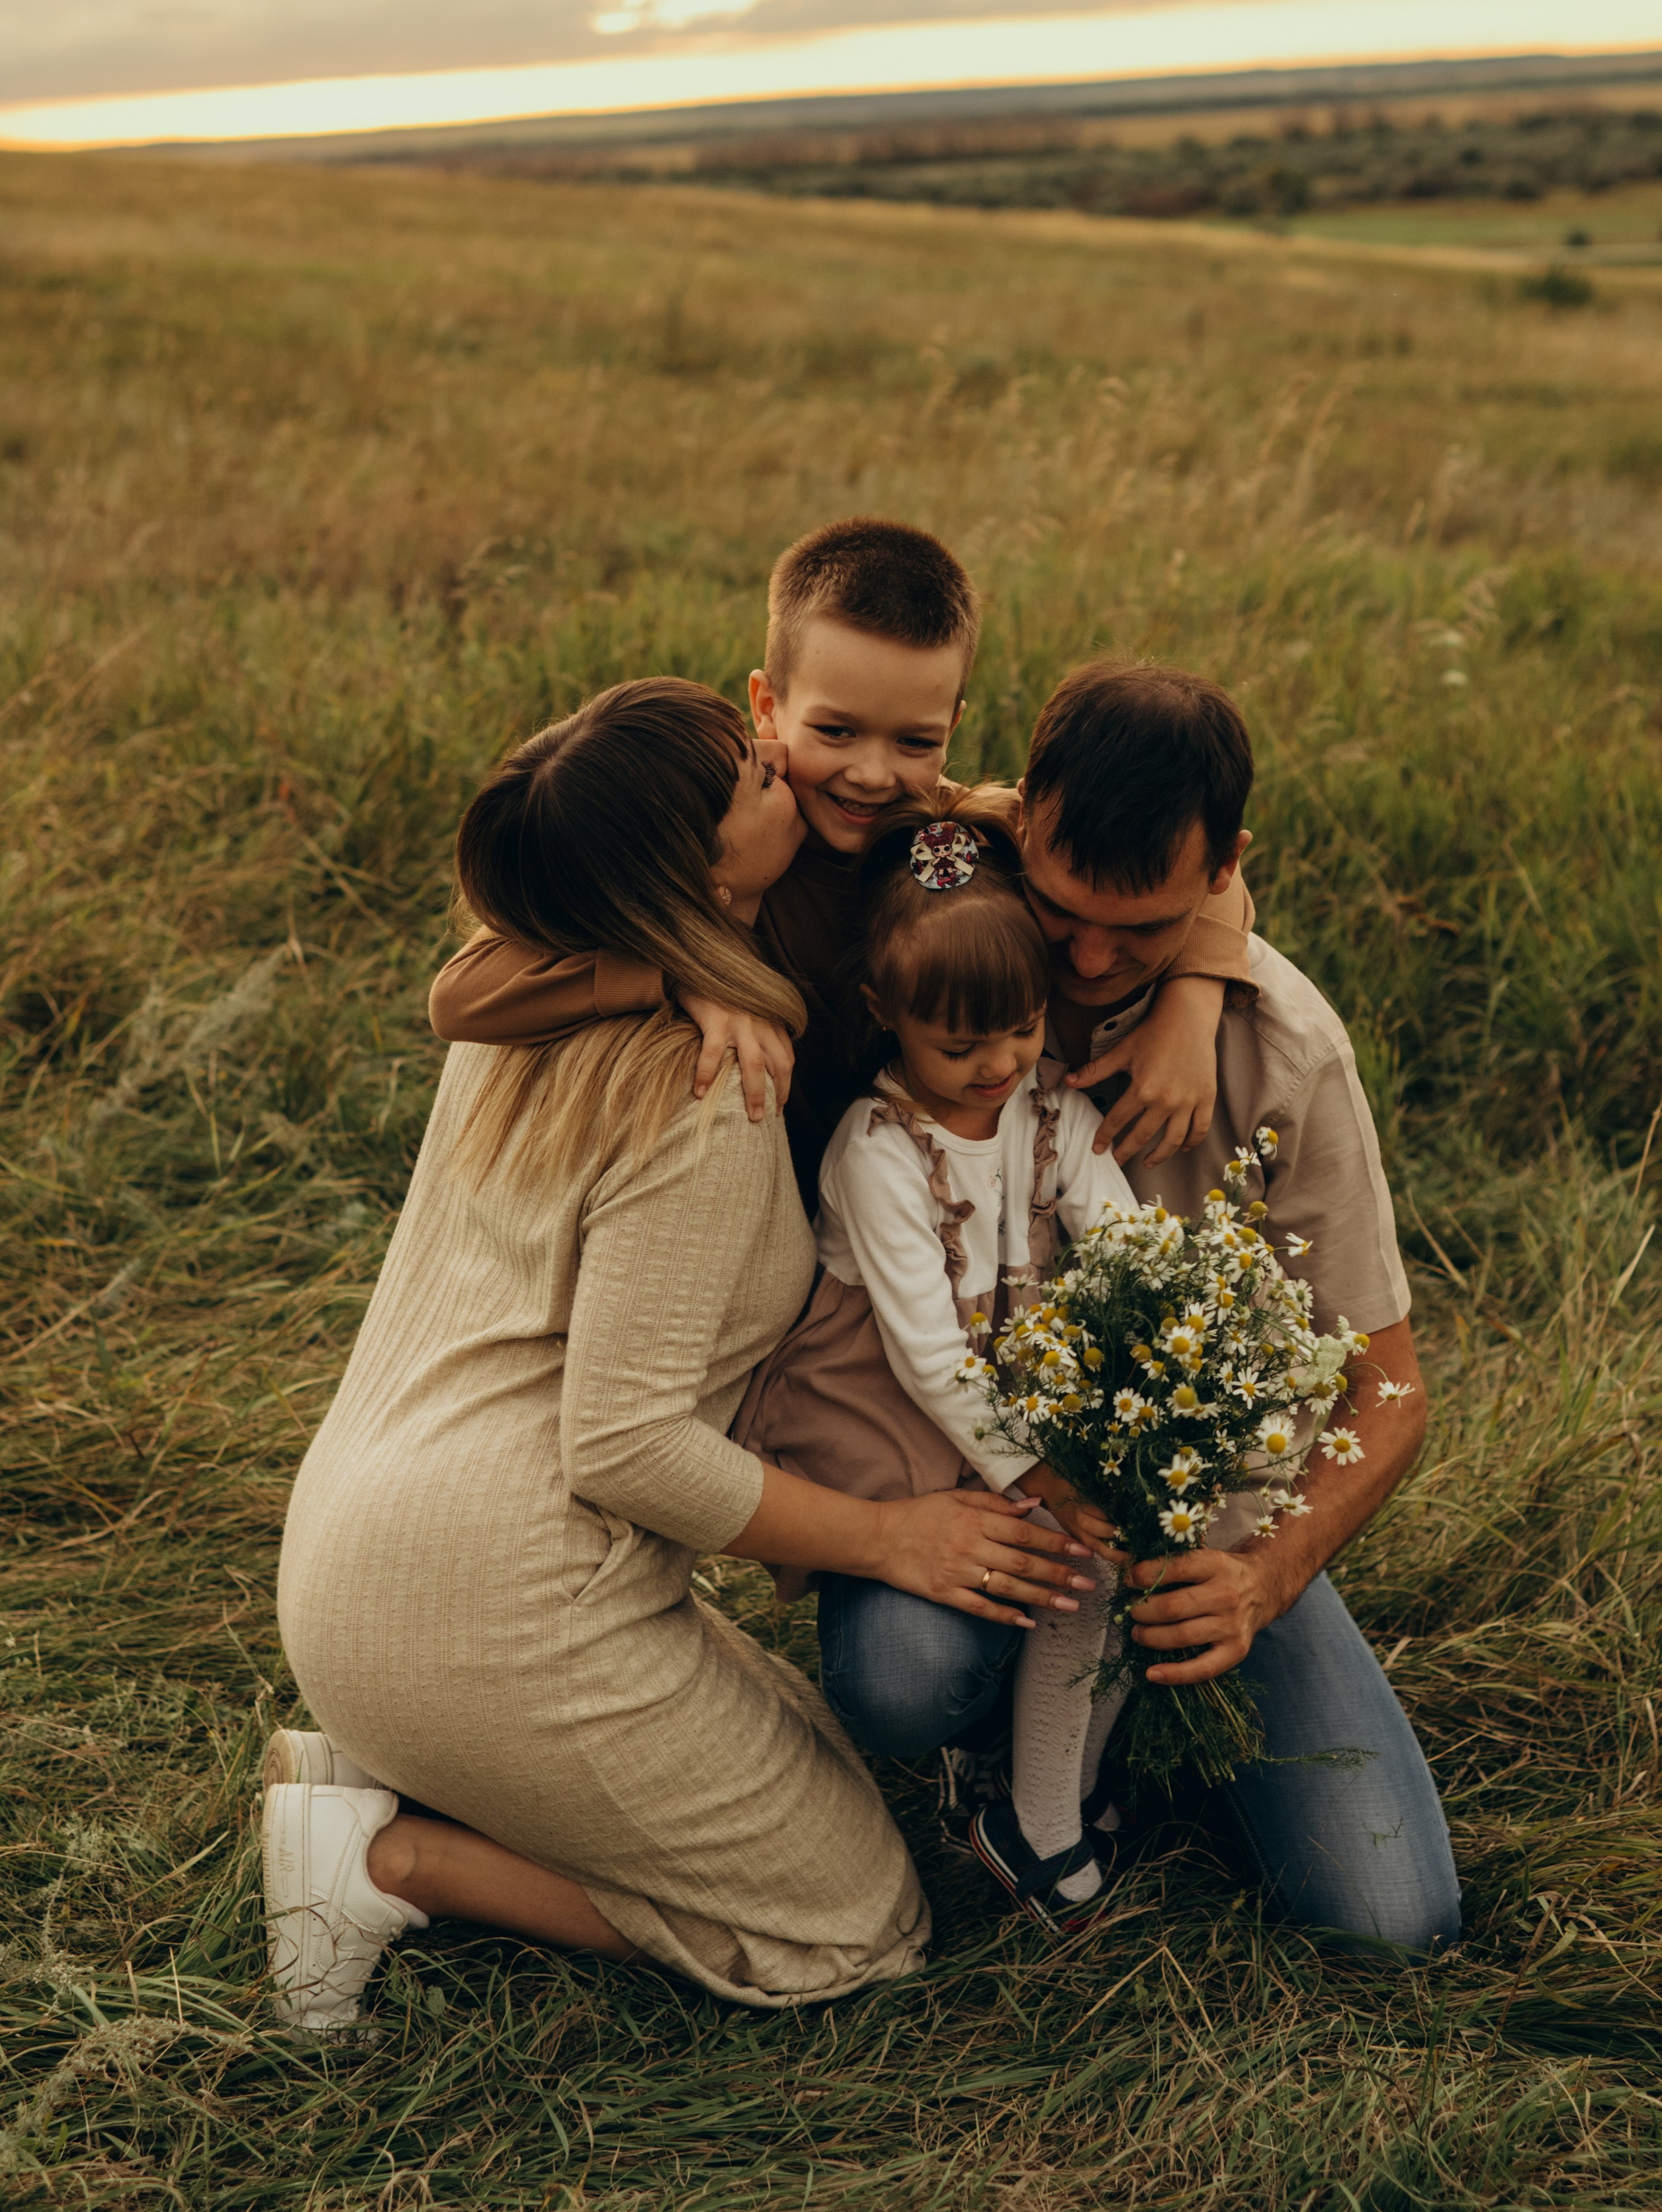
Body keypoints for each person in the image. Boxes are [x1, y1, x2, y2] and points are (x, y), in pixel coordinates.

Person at [266, 679, 1092, 2025]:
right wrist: (891, 1544)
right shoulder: (707, 1093)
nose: (779, 760)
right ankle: (383, 1857)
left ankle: (397, 1759)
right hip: (497, 1601)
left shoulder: (537, 997)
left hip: (354, 1564)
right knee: (857, 1923)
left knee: (816, 1763)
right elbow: (625, 1446)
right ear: (697, 876)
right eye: (752, 781)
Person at [1003, 659, 1461, 1953]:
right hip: (978, 1496)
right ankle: (1005, 1748)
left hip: (1206, 1528)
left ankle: (1140, 1716)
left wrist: (1264, 1575)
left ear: (1223, 872)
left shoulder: (1288, 1050)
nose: (1087, 961)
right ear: (1014, 824)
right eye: (1057, 911)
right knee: (897, 1674)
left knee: (1392, 1919)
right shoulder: (943, 941)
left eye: (1140, 931)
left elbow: (1387, 1384)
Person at [430, 517, 1255, 1211]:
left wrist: (1191, 1003)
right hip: (742, 1211)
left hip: (913, 1207)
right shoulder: (721, 842)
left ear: (954, 725)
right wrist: (684, 975)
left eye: (916, 741)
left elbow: (1184, 875)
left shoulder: (952, 838)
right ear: (767, 706)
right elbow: (460, 993)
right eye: (834, 732)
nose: (872, 773)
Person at [732, 793, 1139, 1930]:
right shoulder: (879, 1148)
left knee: (1104, 1556)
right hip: (900, 1441)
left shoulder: (1049, 1108)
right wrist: (1048, 1478)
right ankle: (1036, 1808)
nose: (996, 1065)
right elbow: (925, 1356)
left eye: (1019, 1030)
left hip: (1011, 1432)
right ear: (885, 1014)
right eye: (959, 1045)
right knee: (1062, 1558)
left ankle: (1043, 1804)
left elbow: (1121, 1250)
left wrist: (1150, 1393)